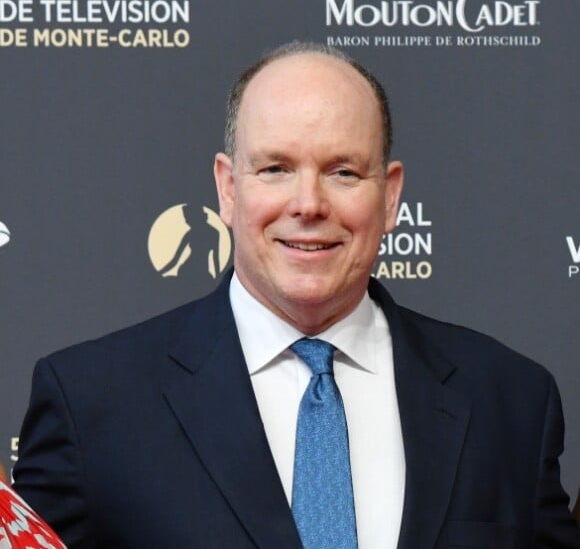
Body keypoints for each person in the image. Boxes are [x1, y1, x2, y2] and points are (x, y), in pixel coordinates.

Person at [13, 42, 580, 548]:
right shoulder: (91, 405)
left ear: (390, 196)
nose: (308, 204)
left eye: (343, 172)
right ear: (228, 189)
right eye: (276, 168)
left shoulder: (511, 402)